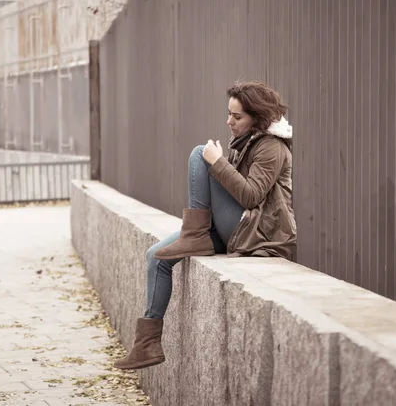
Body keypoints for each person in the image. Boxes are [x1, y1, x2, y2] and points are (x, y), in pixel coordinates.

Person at [113, 80, 297, 370]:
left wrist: (218, 163)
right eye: (229, 114)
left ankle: (195, 233)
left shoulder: (272, 147)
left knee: (201, 152)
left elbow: (250, 197)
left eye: (237, 117)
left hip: (257, 234)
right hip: (237, 227)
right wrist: (222, 163)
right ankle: (147, 346)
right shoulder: (247, 141)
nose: (229, 121)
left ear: (257, 118)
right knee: (156, 258)